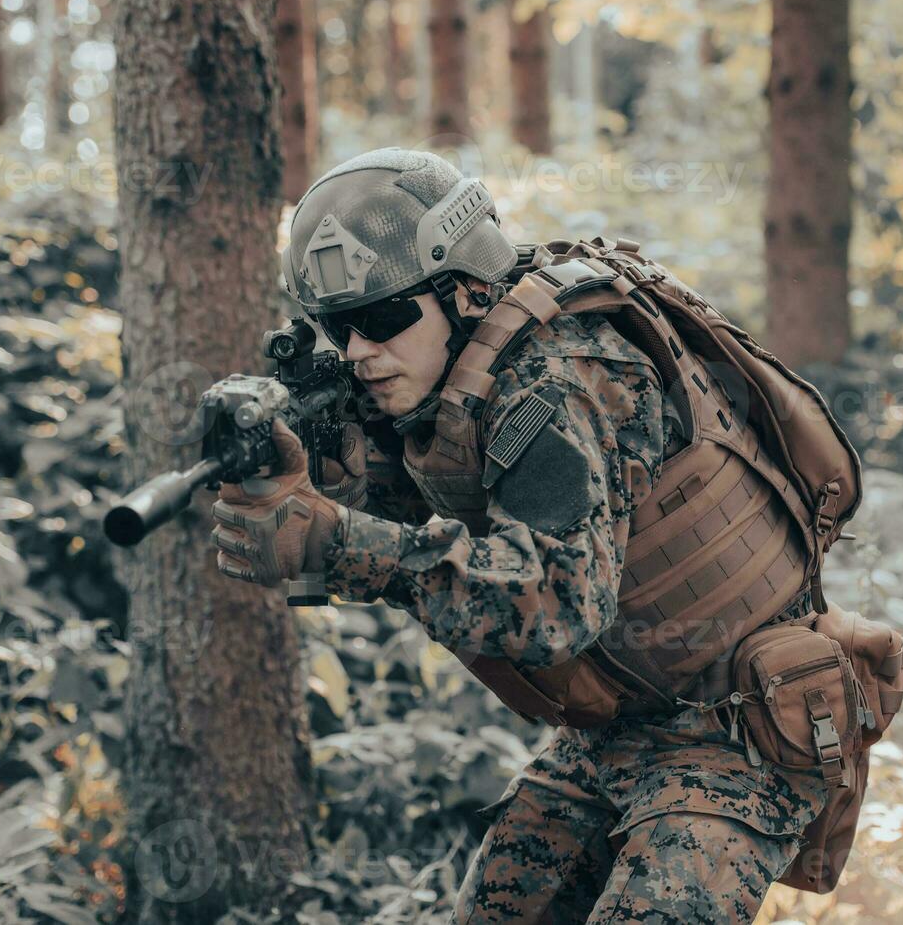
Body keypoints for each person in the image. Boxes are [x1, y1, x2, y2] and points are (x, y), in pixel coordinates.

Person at [210, 148, 831, 922]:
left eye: (382, 318)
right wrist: (324, 482)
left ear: (467, 290)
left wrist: (335, 540)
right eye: (336, 328)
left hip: (739, 731)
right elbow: (425, 526)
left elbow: (554, 603)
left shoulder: (559, 378)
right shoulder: (450, 378)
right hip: (617, 726)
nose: (359, 351)